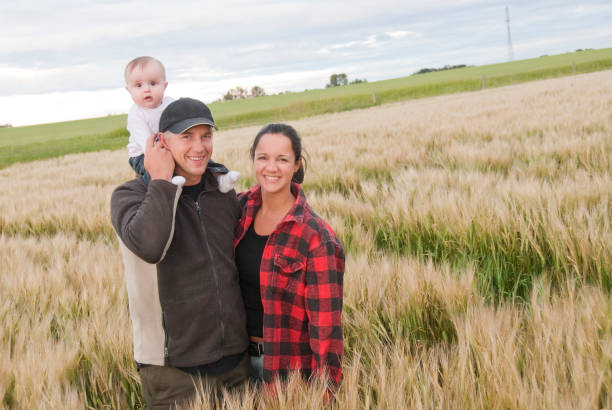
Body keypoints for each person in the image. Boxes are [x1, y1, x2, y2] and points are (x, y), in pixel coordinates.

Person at [111, 97, 249, 409]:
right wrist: (160, 180)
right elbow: (150, 246)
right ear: (160, 142)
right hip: (173, 374)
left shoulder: (222, 192)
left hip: (234, 366)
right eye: (186, 137)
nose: (199, 147)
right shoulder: (130, 197)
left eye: (206, 136)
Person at [234, 123, 345, 389]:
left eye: (282, 159)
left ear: (297, 165)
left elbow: (326, 330)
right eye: (263, 158)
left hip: (285, 373)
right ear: (253, 159)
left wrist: (324, 394)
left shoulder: (316, 238)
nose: (271, 168)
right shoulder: (238, 210)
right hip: (233, 369)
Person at [124, 56, 238, 191]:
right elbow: (146, 144)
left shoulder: (170, 104)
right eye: (138, 85)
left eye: (153, 83)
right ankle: (169, 187)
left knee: (200, 156)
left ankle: (220, 178)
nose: (146, 89)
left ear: (164, 86)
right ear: (129, 90)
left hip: (171, 145)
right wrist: (166, 151)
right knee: (154, 170)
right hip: (143, 154)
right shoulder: (136, 115)